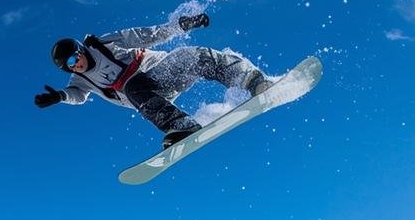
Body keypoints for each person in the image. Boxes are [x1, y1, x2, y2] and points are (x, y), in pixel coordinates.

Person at [34, 12, 271, 148]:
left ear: (81, 49)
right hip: (144, 97)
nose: (77, 64)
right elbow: (77, 95)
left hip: (160, 72)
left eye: (76, 57)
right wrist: (59, 96)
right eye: (71, 65)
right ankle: (181, 126)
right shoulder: (80, 79)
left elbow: (146, 35)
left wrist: (180, 26)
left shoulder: (103, 43)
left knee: (194, 56)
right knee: (133, 87)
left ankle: (253, 81)